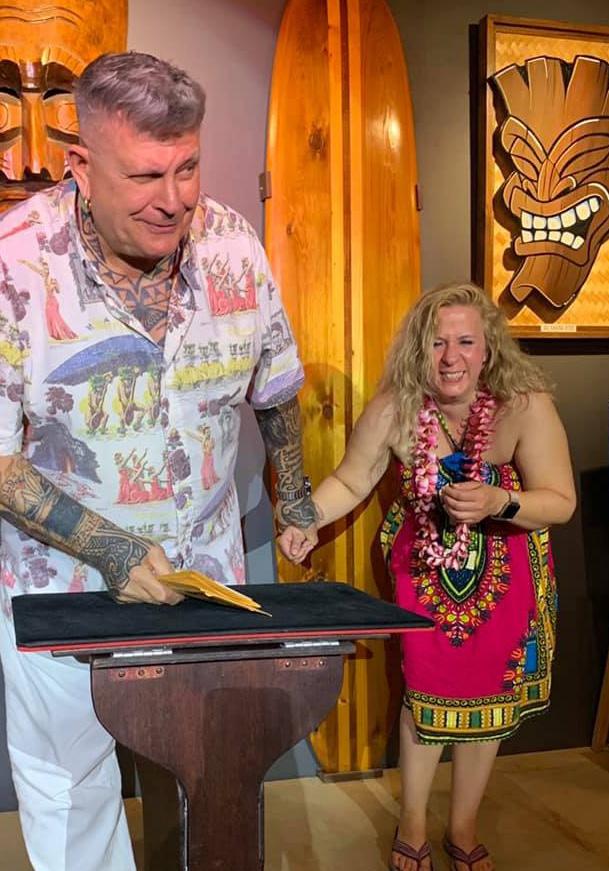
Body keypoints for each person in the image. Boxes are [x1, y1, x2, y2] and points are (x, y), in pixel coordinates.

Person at [0, 52, 316, 871]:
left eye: (187, 168)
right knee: (72, 797)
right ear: (81, 164)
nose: (173, 199)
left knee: (208, 781)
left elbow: (275, 383)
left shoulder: (232, 244)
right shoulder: (11, 264)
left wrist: (294, 497)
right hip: (59, 591)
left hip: (203, 579)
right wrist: (112, 549)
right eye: (144, 175)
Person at [279, 283, 576, 871]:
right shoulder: (396, 408)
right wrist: (306, 519)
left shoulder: (525, 404)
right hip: (425, 568)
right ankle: (412, 821)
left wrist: (498, 500)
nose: (451, 357)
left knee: (493, 695)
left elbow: (560, 501)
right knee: (424, 693)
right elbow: (353, 480)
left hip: (507, 570)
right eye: (438, 342)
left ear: (488, 348)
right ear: (419, 348)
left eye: (465, 342)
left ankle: (463, 826)